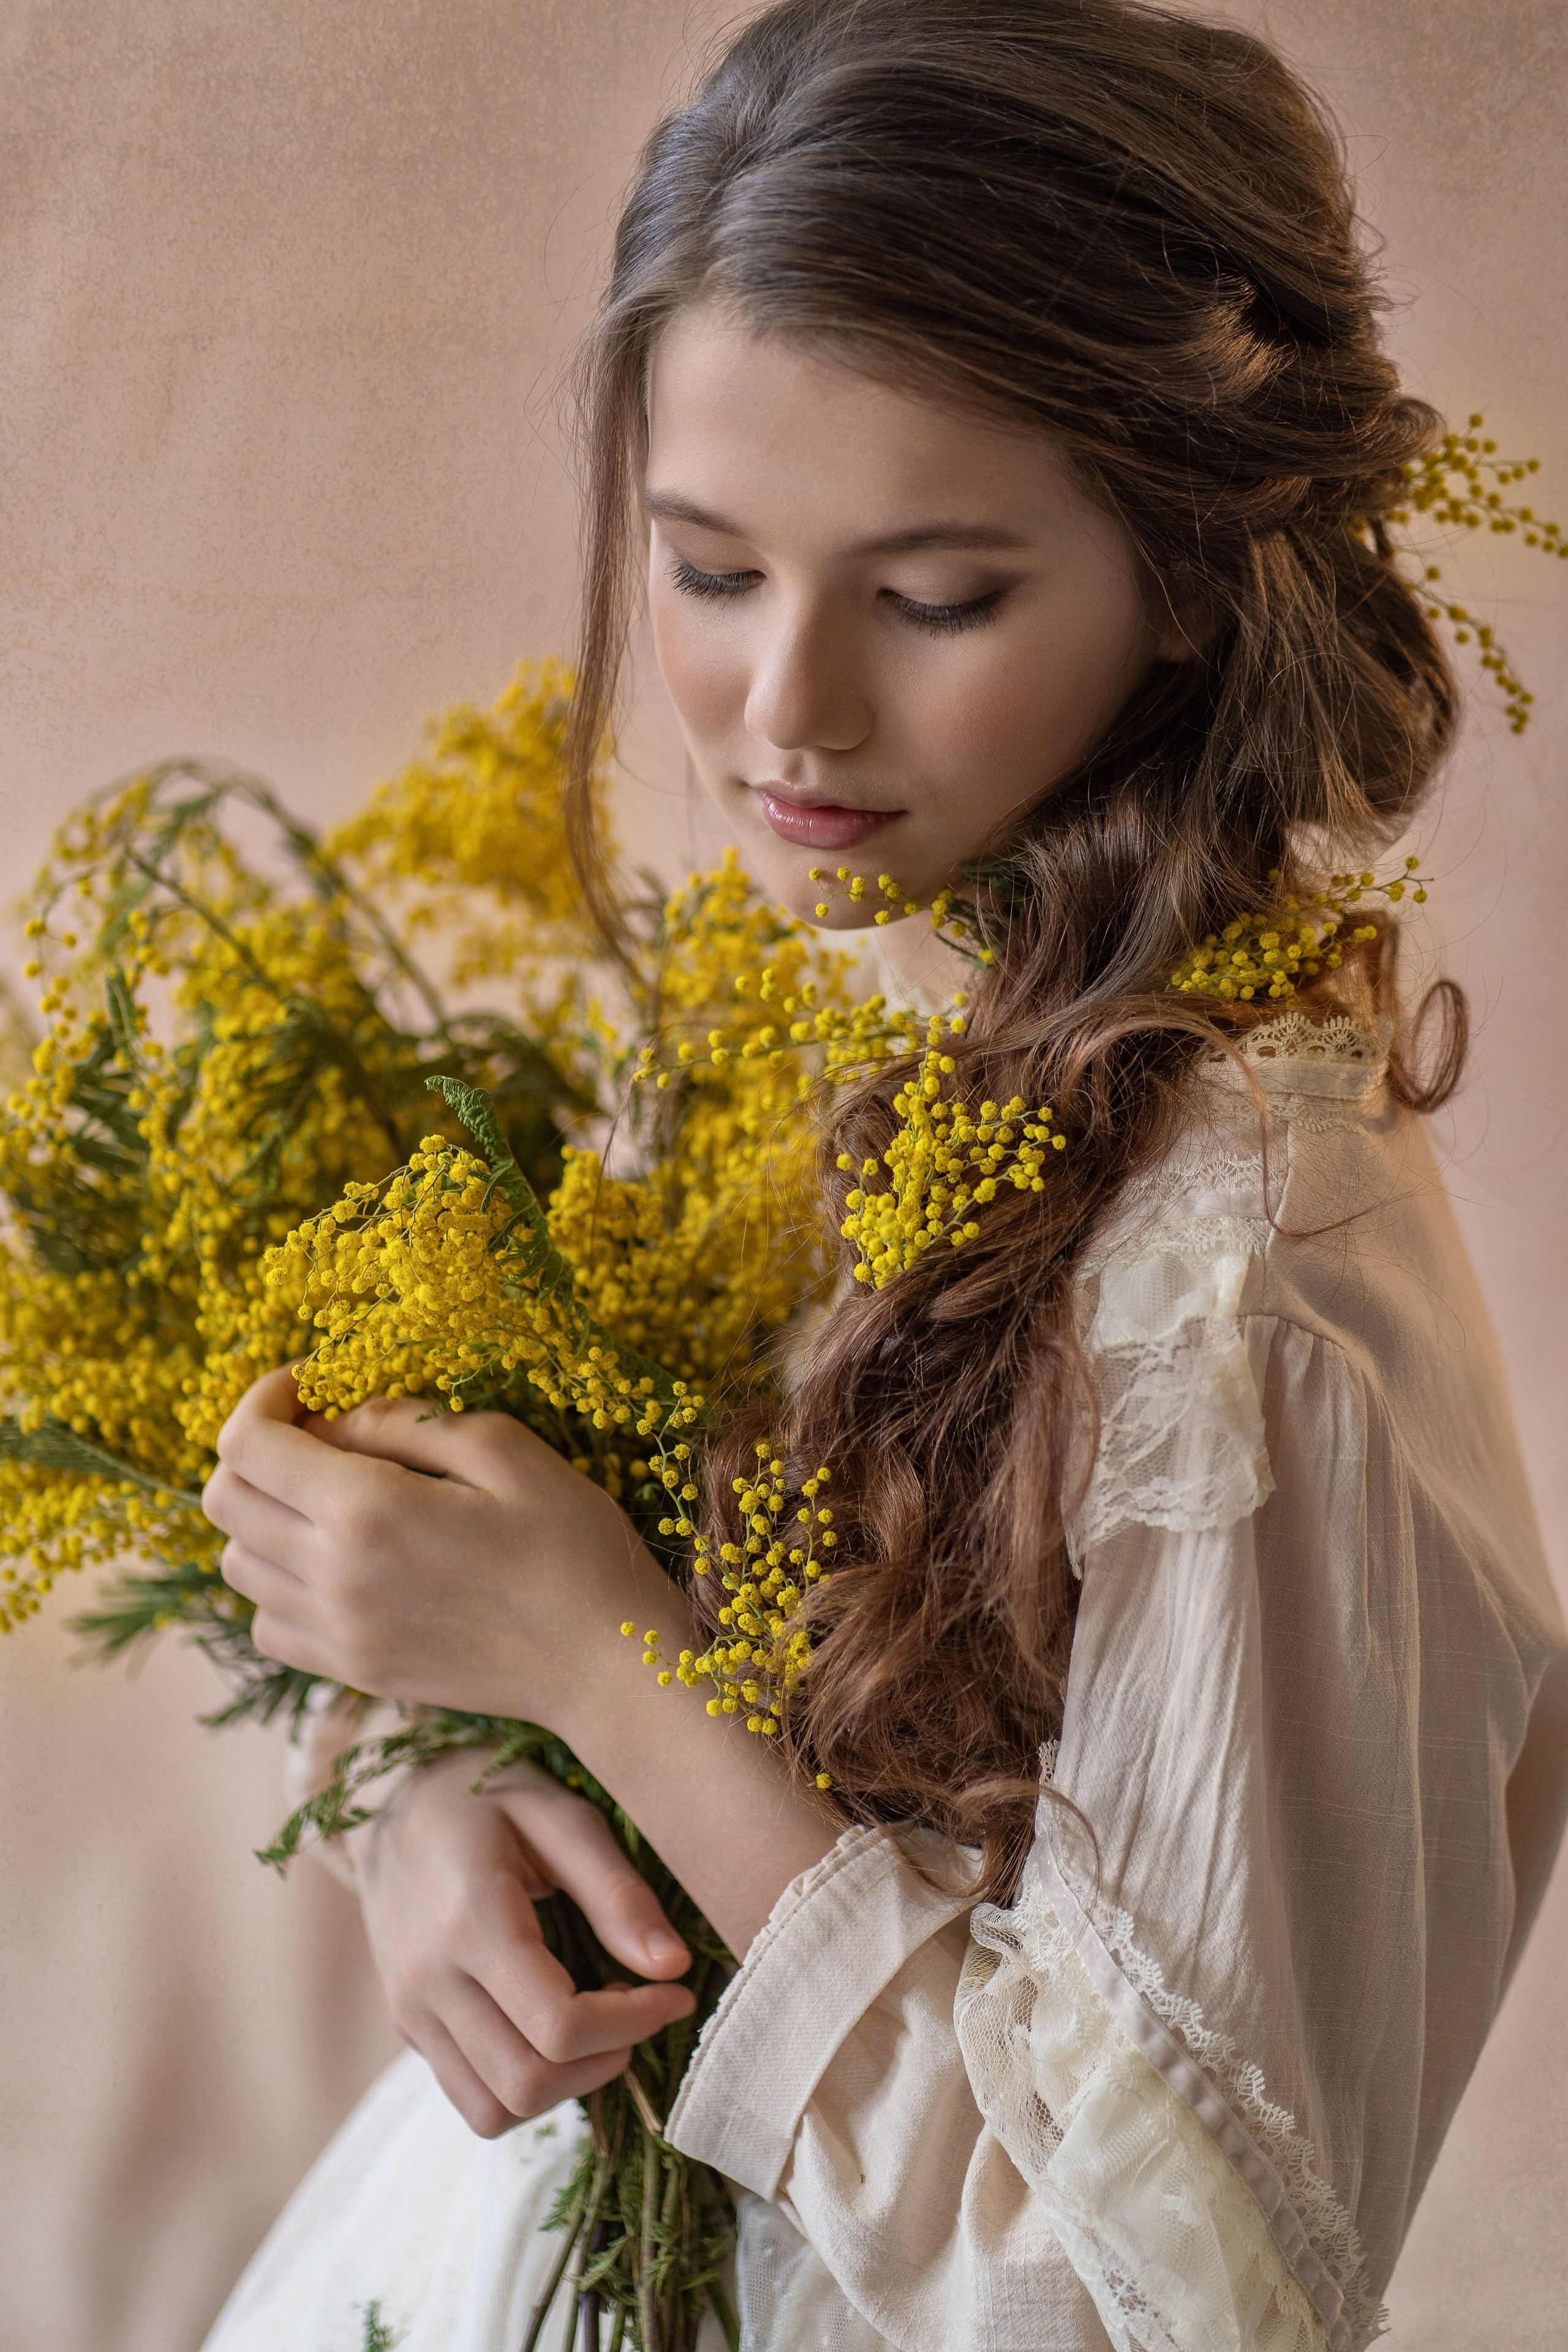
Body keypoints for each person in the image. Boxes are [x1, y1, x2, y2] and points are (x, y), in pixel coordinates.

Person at [197, 3, 1568, 2347]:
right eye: (710, 571)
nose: (784, 713)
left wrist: (599, 1667)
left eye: (935, 598)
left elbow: (1141, 2309)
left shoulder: (1248, 1289)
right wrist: (431, 1785)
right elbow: (597, 1588)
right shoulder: (828, 989)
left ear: (1197, 573)